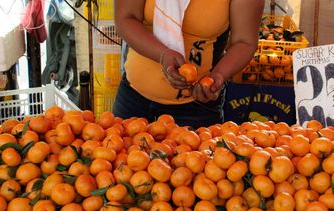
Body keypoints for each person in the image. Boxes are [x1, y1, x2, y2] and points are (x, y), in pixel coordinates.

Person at [113, 0, 265, 129]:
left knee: (194, 163)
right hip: (133, 99)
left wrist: (218, 75)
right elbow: (125, 18)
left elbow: (245, 42)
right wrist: (162, 54)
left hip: (196, 107)